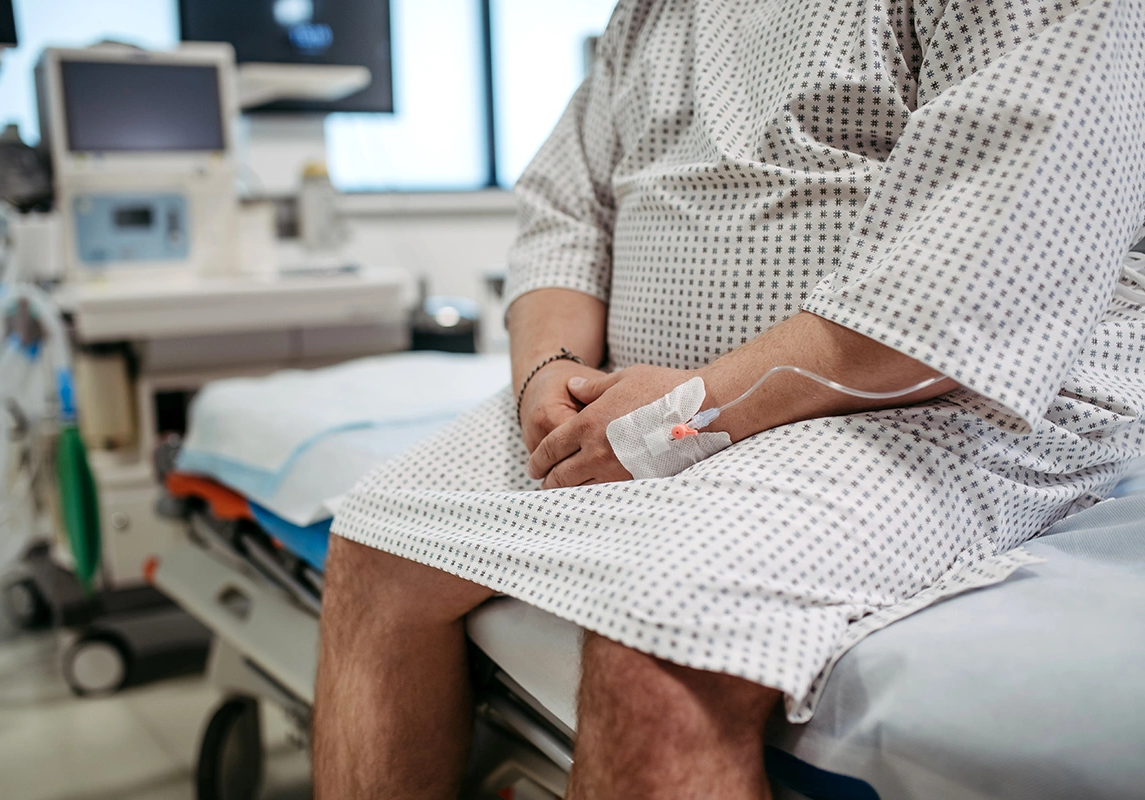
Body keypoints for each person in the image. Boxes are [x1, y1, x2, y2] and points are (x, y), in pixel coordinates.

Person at [313, 0, 1145, 797]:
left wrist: (681, 412)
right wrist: (546, 377)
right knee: (375, 543)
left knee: (661, 632)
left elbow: (977, 274)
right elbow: (564, 220)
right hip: (652, 398)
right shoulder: (652, 11)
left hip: (938, 396)